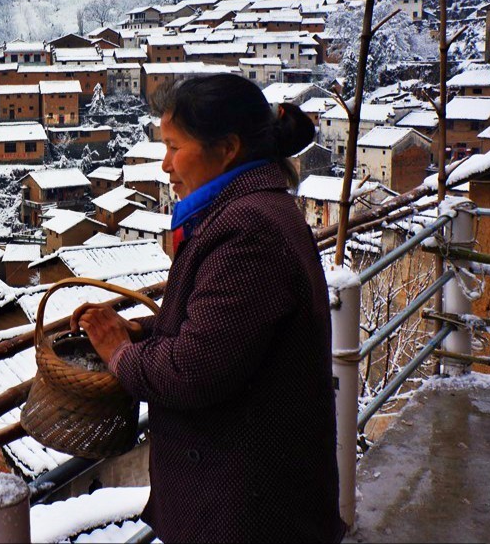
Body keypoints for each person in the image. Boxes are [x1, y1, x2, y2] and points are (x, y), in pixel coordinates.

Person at [72, 74, 345, 543]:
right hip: (256, 491)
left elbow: (189, 373)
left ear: (228, 148)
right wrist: (144, 331)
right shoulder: (256, 209)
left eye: (175, 147)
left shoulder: (247, 230)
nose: (165, 165)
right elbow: (228, 325)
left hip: (246, 506)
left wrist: (119, 351)